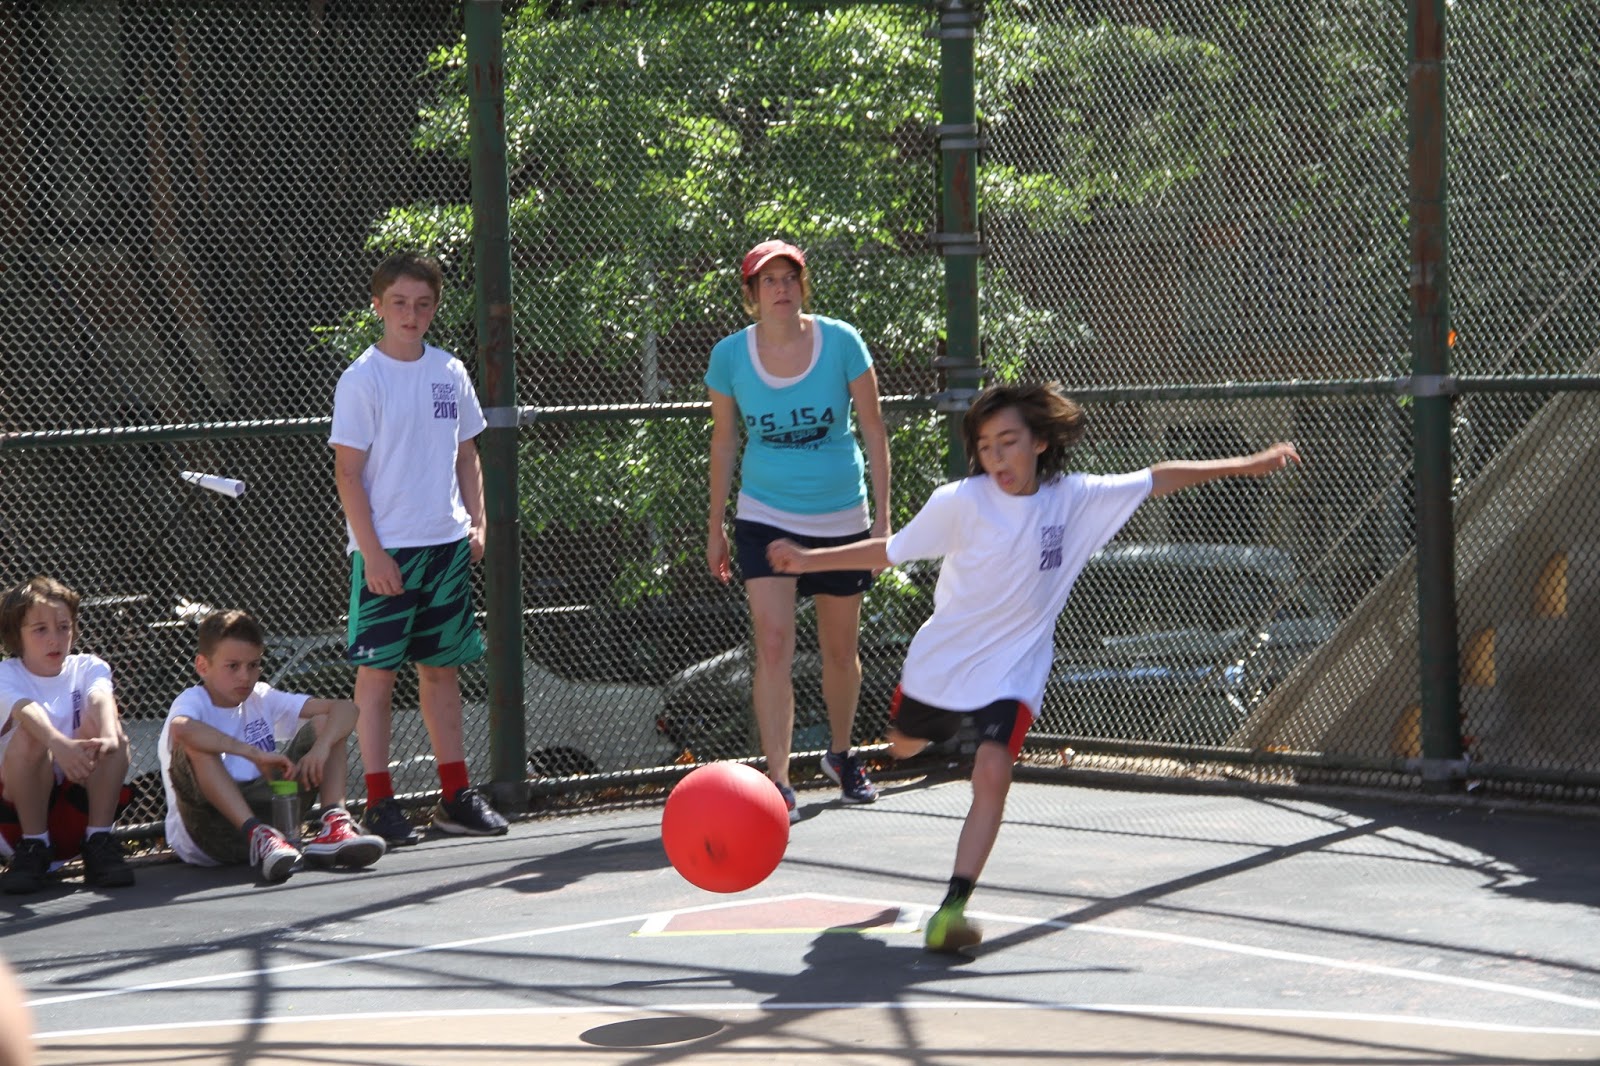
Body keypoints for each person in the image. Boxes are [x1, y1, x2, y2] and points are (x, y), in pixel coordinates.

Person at [768, 382, 1301, 952]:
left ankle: (951, 907)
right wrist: (808, 559)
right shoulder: (961, 502)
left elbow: (1157, 477)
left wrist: (1245, 464)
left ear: (1040, 442)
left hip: (1015, 668)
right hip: (944, 664)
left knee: (993, 772)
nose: (997, 457)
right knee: (905, 746)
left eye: (1008, 442)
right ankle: (889, 747)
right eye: (986, 446)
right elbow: (889, 551)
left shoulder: (1073, 497)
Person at [706, 239, 892, 822]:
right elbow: (723, 440)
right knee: (773, 645)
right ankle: (778, 780)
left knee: (840, 650)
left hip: (841, 517)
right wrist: (714, 526)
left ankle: (841, 756)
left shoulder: (842, 342)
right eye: (768, 281)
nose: (780, 288)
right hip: (764, 515)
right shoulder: (729, 357)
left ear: (802, 287)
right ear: (751, 295)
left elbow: (874, 429)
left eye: (790, 278)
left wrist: (884, 523)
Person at [330, 250, 509, 845]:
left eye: (423, 304)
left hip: (445, 547)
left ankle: (455, 796)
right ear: (378, 306)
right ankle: (378, 801)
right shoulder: (361, 379)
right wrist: (374, 555)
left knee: (442, 672)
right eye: (400, 303)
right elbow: (349, 476)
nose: (412, 314)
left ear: (434, 308)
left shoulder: (450, 371)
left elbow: (467, 455)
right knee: (377, 677)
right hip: (386, 553)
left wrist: (476, 525)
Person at [159, 609, 388, 883]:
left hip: (275, 822)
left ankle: (333, 824)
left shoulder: (262, 696)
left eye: (253, 665)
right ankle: (258, 834)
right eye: (233, 666)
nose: (245, 676)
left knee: (328, 723)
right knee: (193, 742)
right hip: (211, 832)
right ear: (203, 666)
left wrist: (322, 747)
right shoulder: (193, 701)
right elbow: (180, 728)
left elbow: (347, 709)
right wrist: (253, 754)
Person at [0, 576, 134, 894]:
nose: (55, 639)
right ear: (16, 635)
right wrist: (60, 745)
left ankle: (98, 839)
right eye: (40, 629)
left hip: (73, 812)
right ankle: (34, 847)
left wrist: (110, 738)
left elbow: (100, 697)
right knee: (32, 734)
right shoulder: (6, 674)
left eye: (64, 626)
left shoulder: (87, 666)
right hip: (14, 822)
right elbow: (26, 709)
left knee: (110, 730)